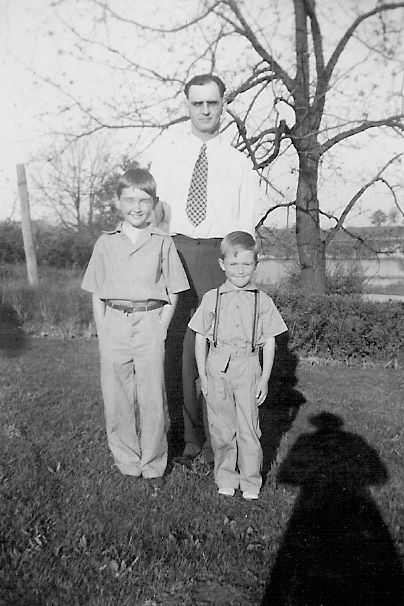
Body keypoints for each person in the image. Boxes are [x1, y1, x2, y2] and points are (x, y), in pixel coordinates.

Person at [150, 73, 269, 465]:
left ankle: (228, 439)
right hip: (177, 252)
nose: (204, 110)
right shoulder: (166, 156)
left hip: (219, 258)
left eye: (212, 103)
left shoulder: (238, 164)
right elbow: (155, 219)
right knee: (180, 351)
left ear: (223, 105)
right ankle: (187, 438)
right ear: (187, 105)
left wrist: (237, 272)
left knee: (224, 350)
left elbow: (245, 228)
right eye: (197, 103)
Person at [81, 168, 189, 489]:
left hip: (150, 322)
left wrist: (162, 326)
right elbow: (98, 293)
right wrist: (103, 331)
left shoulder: (162, 242)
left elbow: (174, 292)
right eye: (129, 200)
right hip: (114, 322)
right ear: (118, 202)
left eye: (144, 200)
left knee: (152, 394)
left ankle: (153, 462)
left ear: (153, 202)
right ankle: (126, 458)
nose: (137, 207)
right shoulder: (105, 243)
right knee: (117, 395)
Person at [188, 232, 287, 500]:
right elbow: (200, 337)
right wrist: (203, 376)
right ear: (222, 265)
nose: (240, 271)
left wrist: (264, 378)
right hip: (217, 366)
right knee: (221, 428)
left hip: (248, 366)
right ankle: (226, 477)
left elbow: (269, 341)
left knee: (249, 428)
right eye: (234, 265)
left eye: (247, 264)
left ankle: (251, 482)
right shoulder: (212, 298)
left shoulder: (262, 301)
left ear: (256, 263)